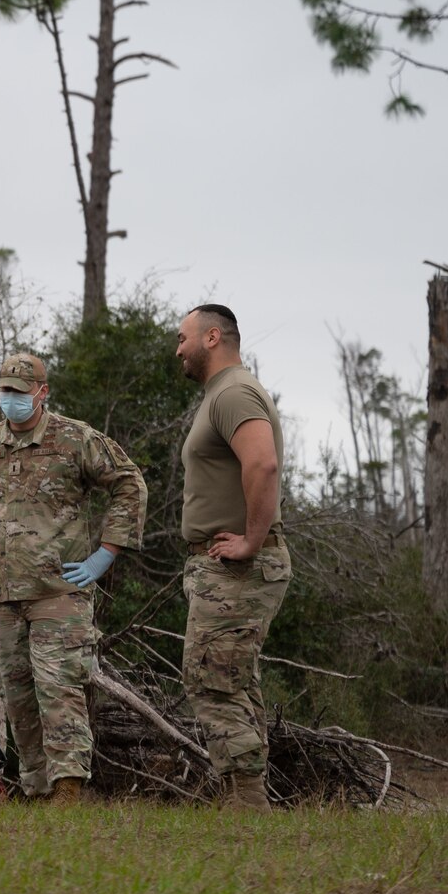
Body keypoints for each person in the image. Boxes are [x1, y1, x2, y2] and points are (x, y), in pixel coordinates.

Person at [0, 353, 146, 804]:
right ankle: (34, 790)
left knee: (60, 690)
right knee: (17, 696)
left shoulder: (75, 440)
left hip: (60, 594)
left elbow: (129, 483)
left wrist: (104, 556)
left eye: (19, 392)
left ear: (42, 393)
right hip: (3, 596)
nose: (9, 400)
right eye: (4, 391)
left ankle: (68, 789)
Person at [175, 303, 290, 812]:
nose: (178, 348)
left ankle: (246, 802)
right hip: (221, 568)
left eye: (183, 338)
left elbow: (262, 463)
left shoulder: (234, 392)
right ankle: (247, 797)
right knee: (232, 679)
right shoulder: (222, 394)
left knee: (210, 678)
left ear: (213, 337)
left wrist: (250, 540)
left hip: (238, 566)